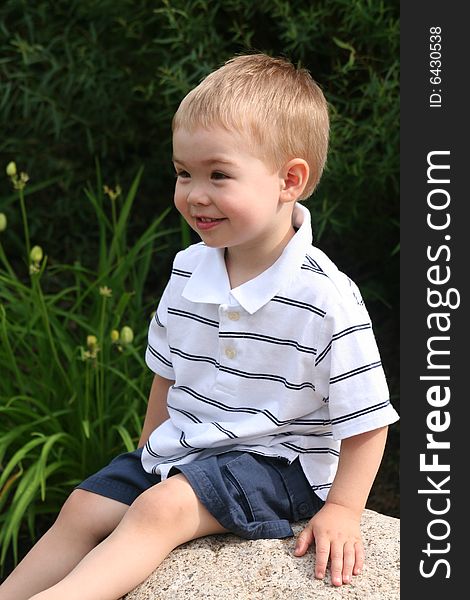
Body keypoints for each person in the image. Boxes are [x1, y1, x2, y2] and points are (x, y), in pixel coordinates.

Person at [0, 53, 399, 600]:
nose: (195, 193)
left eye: (218, 174)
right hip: (187, 448)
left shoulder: (323, 297)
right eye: (183, 173)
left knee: (161, 509)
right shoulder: (189, 270)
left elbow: (367, 419)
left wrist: (344, 509)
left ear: (289, 180)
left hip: (279, 467)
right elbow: (168, 374)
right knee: (85, 504)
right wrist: (146, 457)